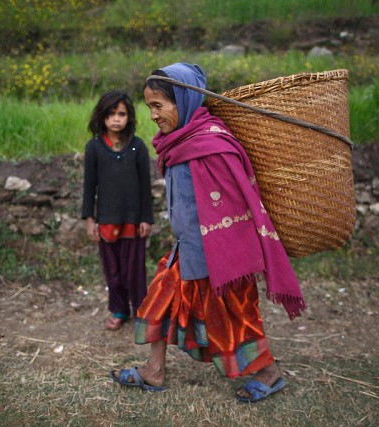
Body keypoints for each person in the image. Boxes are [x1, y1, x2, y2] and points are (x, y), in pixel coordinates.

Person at [110, 63, 306, 402]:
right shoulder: (177, 142)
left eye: (158, 105)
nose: (153, 115)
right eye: (149, 106)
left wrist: (222, 253)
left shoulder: (212, 144)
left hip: (224, 254)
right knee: (161, 298)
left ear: (183, 100)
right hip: (188, 247)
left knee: (237, 314)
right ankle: (153, 371)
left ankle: (268, 373)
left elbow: (237, 202)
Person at [81, 90, 154, 331]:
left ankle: (142, 311)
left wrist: (146, 217)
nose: (116, 119)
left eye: (121, 114)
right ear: (102, 116)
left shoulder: (138, 147)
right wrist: (90, 219)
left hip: (133, 221)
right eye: (111, 113)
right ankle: (119, 309)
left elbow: (146, 186)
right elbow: (89, 185)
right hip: (107, 220)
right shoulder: (94, 148)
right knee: (112, 271)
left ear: (129, 117)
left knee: (135, 271)